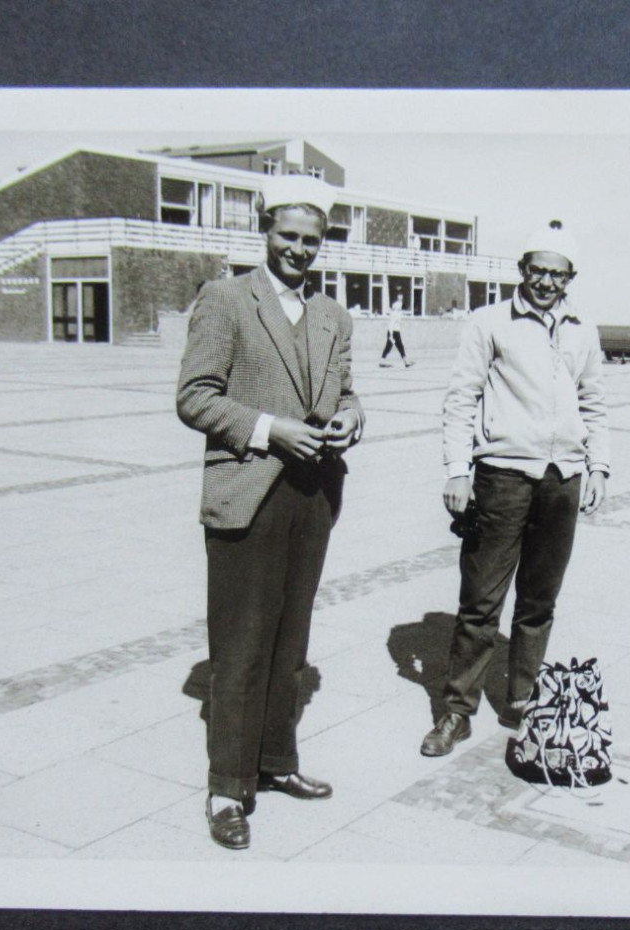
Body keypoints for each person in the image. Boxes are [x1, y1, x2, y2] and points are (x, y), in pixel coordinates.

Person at [175, 175, 364, 850]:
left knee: (290, 645)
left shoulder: (334, 314)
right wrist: (270, 429)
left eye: (311, 240)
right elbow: (194, 397)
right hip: (247, 492)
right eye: (288, 235)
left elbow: (347, 392)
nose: (299, 250)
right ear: (265, 231)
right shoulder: (225, 299)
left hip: (312, 496)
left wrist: (350, 418)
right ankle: (228, 786)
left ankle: (276, 763)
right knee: (241, 649)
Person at [420, 219, 610, 758]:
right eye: (537, 271)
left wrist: (599, 467)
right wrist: (458, 469)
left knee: (539, 601)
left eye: (557, 274)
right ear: (521, 270)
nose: (546, 283)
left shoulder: (582, 330)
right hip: (501, 477)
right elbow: (461, 397)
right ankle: (457, 711)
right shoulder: (489, 323)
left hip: (563, 479)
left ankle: (522, 698)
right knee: (481, 603)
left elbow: (594, 402)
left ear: (570, 277)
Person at [379, 297, 415, 368]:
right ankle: (405, 362)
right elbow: (391, 324)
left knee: (393, 347)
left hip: (395, 332)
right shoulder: (395, 314)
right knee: (396, 346)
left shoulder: (397, 313)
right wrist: (391, 335)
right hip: (394, 332)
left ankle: (383, 361)